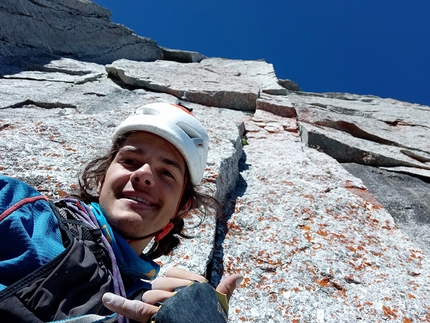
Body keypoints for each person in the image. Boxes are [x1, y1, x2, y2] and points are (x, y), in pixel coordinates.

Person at [0, 102, 243, 322]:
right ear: (102, 179)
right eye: (129, 161)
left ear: (181, 208)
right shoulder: (19, 212)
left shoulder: (150, 308)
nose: (144, 175)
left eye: (167, 173)